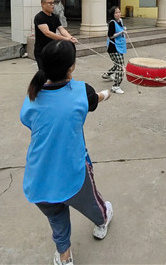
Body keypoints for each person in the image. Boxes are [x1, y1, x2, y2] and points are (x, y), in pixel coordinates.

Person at [20, 40, 113, 265]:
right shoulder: (83, 91)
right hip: (74, 173)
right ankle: (103, 220)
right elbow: (94, 100)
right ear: (71, 67)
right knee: (95, 206)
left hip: (38, 179)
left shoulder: (33, 95)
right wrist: (106, 93)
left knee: (56, 216)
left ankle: (65, 255)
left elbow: (27, 120)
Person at [34, 0, 78, 69]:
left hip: (52, 48)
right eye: (50, 3)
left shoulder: (55, 17)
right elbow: (47, 33)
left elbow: (61, 29)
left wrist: (70, 37)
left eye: (53, 3)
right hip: (41, 50)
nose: (53, 5)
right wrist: (65, 39)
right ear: (43, 4)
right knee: (43, 72)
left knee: (53, 71)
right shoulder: (39, 17)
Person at [102, 6, 127, 94]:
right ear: (113, 14)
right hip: (113, 47)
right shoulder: (112, 23)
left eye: (119, 12)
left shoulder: (121, 21)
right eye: (116, 13)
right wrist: (121, 32)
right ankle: (116, 86)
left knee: (118, 64)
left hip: (120, 46)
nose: (118, 14)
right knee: (120, 66)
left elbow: (121, 28)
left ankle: (108, 74)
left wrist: (123, 29)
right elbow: (111, 36)